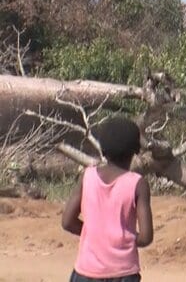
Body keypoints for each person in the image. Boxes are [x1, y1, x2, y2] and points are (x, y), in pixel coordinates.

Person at [62, 116, 154, 282]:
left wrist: (95, 236)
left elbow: (67, 222)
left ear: (102, 149)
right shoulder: (138, 184)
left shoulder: (87, 176)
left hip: (86, 272)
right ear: (136, 151)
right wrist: (123, 241)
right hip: (123, 273)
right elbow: (146, 237)